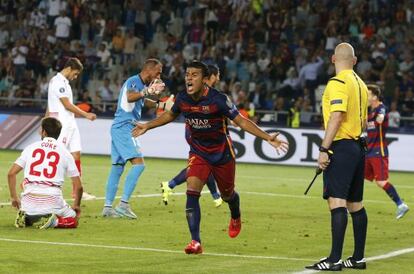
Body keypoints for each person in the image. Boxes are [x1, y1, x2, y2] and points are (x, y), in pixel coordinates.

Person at [132, 61, 288, 254]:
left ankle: (235, 215)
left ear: (205, 80)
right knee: (192, 191)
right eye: (187, 74)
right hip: (199, 153)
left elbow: (241, 121)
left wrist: (267, 137)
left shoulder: (218, 99)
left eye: (194, 74)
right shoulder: (182, 98)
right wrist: (148, 125)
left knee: (228, 195)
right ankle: (195, 242)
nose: (189, 77)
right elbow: (170, 116)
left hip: (222, 154)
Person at [306, 43, 369, 271]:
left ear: (333, 59)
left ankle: (333, 260)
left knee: (337, 202)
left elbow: (337, 116)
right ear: (354, 60)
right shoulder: (362, 84)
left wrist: (324, 149)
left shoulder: (337, 83)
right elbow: (364, 122)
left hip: (341, 147)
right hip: (358, 146)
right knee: (356, 204)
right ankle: (358, 258)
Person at [102, 58, 173, 219]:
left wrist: (161, 105)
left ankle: (107, 207)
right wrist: (146, 92)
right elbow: (130, 97)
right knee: (139, 165)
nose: (159, 75)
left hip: (120, 127)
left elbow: (143, 101)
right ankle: (123, 205)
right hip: (125, 127)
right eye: (158, 71)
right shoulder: (134, 81)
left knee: (117, 167)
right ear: (149, 69)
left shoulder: (142, 85)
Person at [160, 64, 223, 207]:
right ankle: (215, 195)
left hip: (199, 131)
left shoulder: (211, 93)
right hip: (194, 131)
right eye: (218, 75)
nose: (219, 78)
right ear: (211, 76)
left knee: (203, 164)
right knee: (204, 163)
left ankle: (169, 185)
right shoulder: (199, 89)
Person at [7, 117, 83, 229]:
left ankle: (26, 217)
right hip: (52, 200)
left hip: (28, 202)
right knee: (73, 218)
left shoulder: (30, 148)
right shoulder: (65, 153)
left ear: (44, 132)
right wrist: (76, 205)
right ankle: (54, 222)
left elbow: (11, 174)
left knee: (27, 189)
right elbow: (79, 187)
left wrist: (14, 197)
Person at [47, 57, 97, 200]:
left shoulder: (65, 83)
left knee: (76, 155)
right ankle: (47, 186)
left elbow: (50, 104)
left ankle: (77, 191)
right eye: (75, 74)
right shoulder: (57, 82)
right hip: (61, 124)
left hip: (70, 123)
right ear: (69, 68)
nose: (75, 77)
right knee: (57, 156)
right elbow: (66, 104)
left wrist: (44, 121)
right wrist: (86, 114)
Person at [365, 84, 409, 219]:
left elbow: (381, 118)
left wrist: (378, 118)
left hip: (379, 151)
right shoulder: (368, 111)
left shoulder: (381, 108)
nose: (365, 96)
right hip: (368, 152)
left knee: (381, 182)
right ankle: (350, 205)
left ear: (374, 96)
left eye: (368, 93)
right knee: (357, 177)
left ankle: (401, 204)